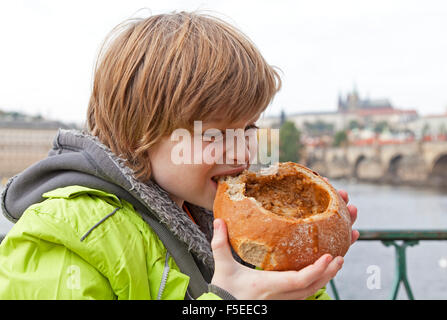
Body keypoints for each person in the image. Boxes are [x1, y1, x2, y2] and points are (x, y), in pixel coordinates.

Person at [0, 11, 359, 300]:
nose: (241, 151)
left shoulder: (220, 220)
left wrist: (289, 276)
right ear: (140, 132)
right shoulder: (64, 239)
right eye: (214, 134)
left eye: (248, 129)